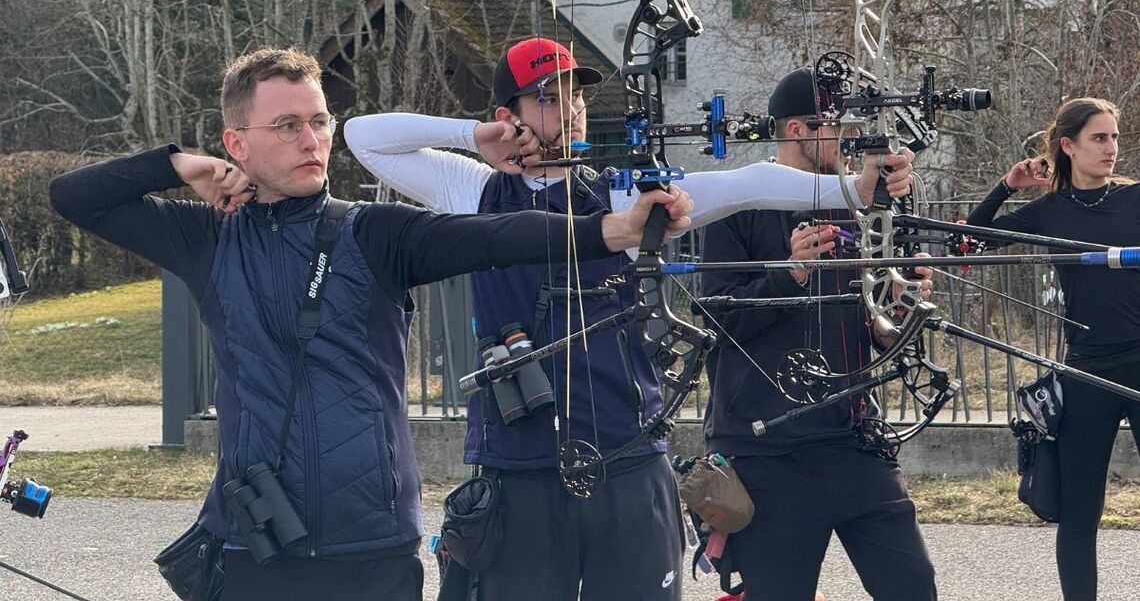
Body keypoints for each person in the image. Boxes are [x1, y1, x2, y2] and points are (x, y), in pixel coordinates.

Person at [48, 48, 692, 601]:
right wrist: (177, 165)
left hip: (373, 550)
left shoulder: (376, 233)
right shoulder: (207, 240)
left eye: (319, 121)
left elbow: (498, 236)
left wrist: (613, 230)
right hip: (254, 544)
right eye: (287, 125)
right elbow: (74, 197)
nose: (311, 140)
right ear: (236, 143)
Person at [343, 39, 915, 600]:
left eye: (575, 96)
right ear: (506, 115)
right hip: (518, 463)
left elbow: (746, 185)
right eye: (548, 98)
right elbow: (362, 136)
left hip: (627, 453)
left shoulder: (621, 197)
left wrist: (853, 187)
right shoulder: (476, 191)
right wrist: (474, 137)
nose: (570, 109)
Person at [699, 68, 937, 601]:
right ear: (797, 130)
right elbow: (719, 319)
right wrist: (791, 273)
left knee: (913, 586)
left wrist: (902, 301)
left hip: (854, 440)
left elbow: (880, 330)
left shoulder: (860, 202)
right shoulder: (740, 202)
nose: (851, 141)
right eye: (838, 128)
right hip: (765, 449)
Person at [966, 97, 1140, 601]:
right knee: (1080, 515)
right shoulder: (1048, 211)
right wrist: (1006, 186)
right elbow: (970, 243)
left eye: (1114, 137)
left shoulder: (1135, 198)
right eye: (1099, 138)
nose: (1111, 148)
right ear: (1068, 145)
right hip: (1087, 373)